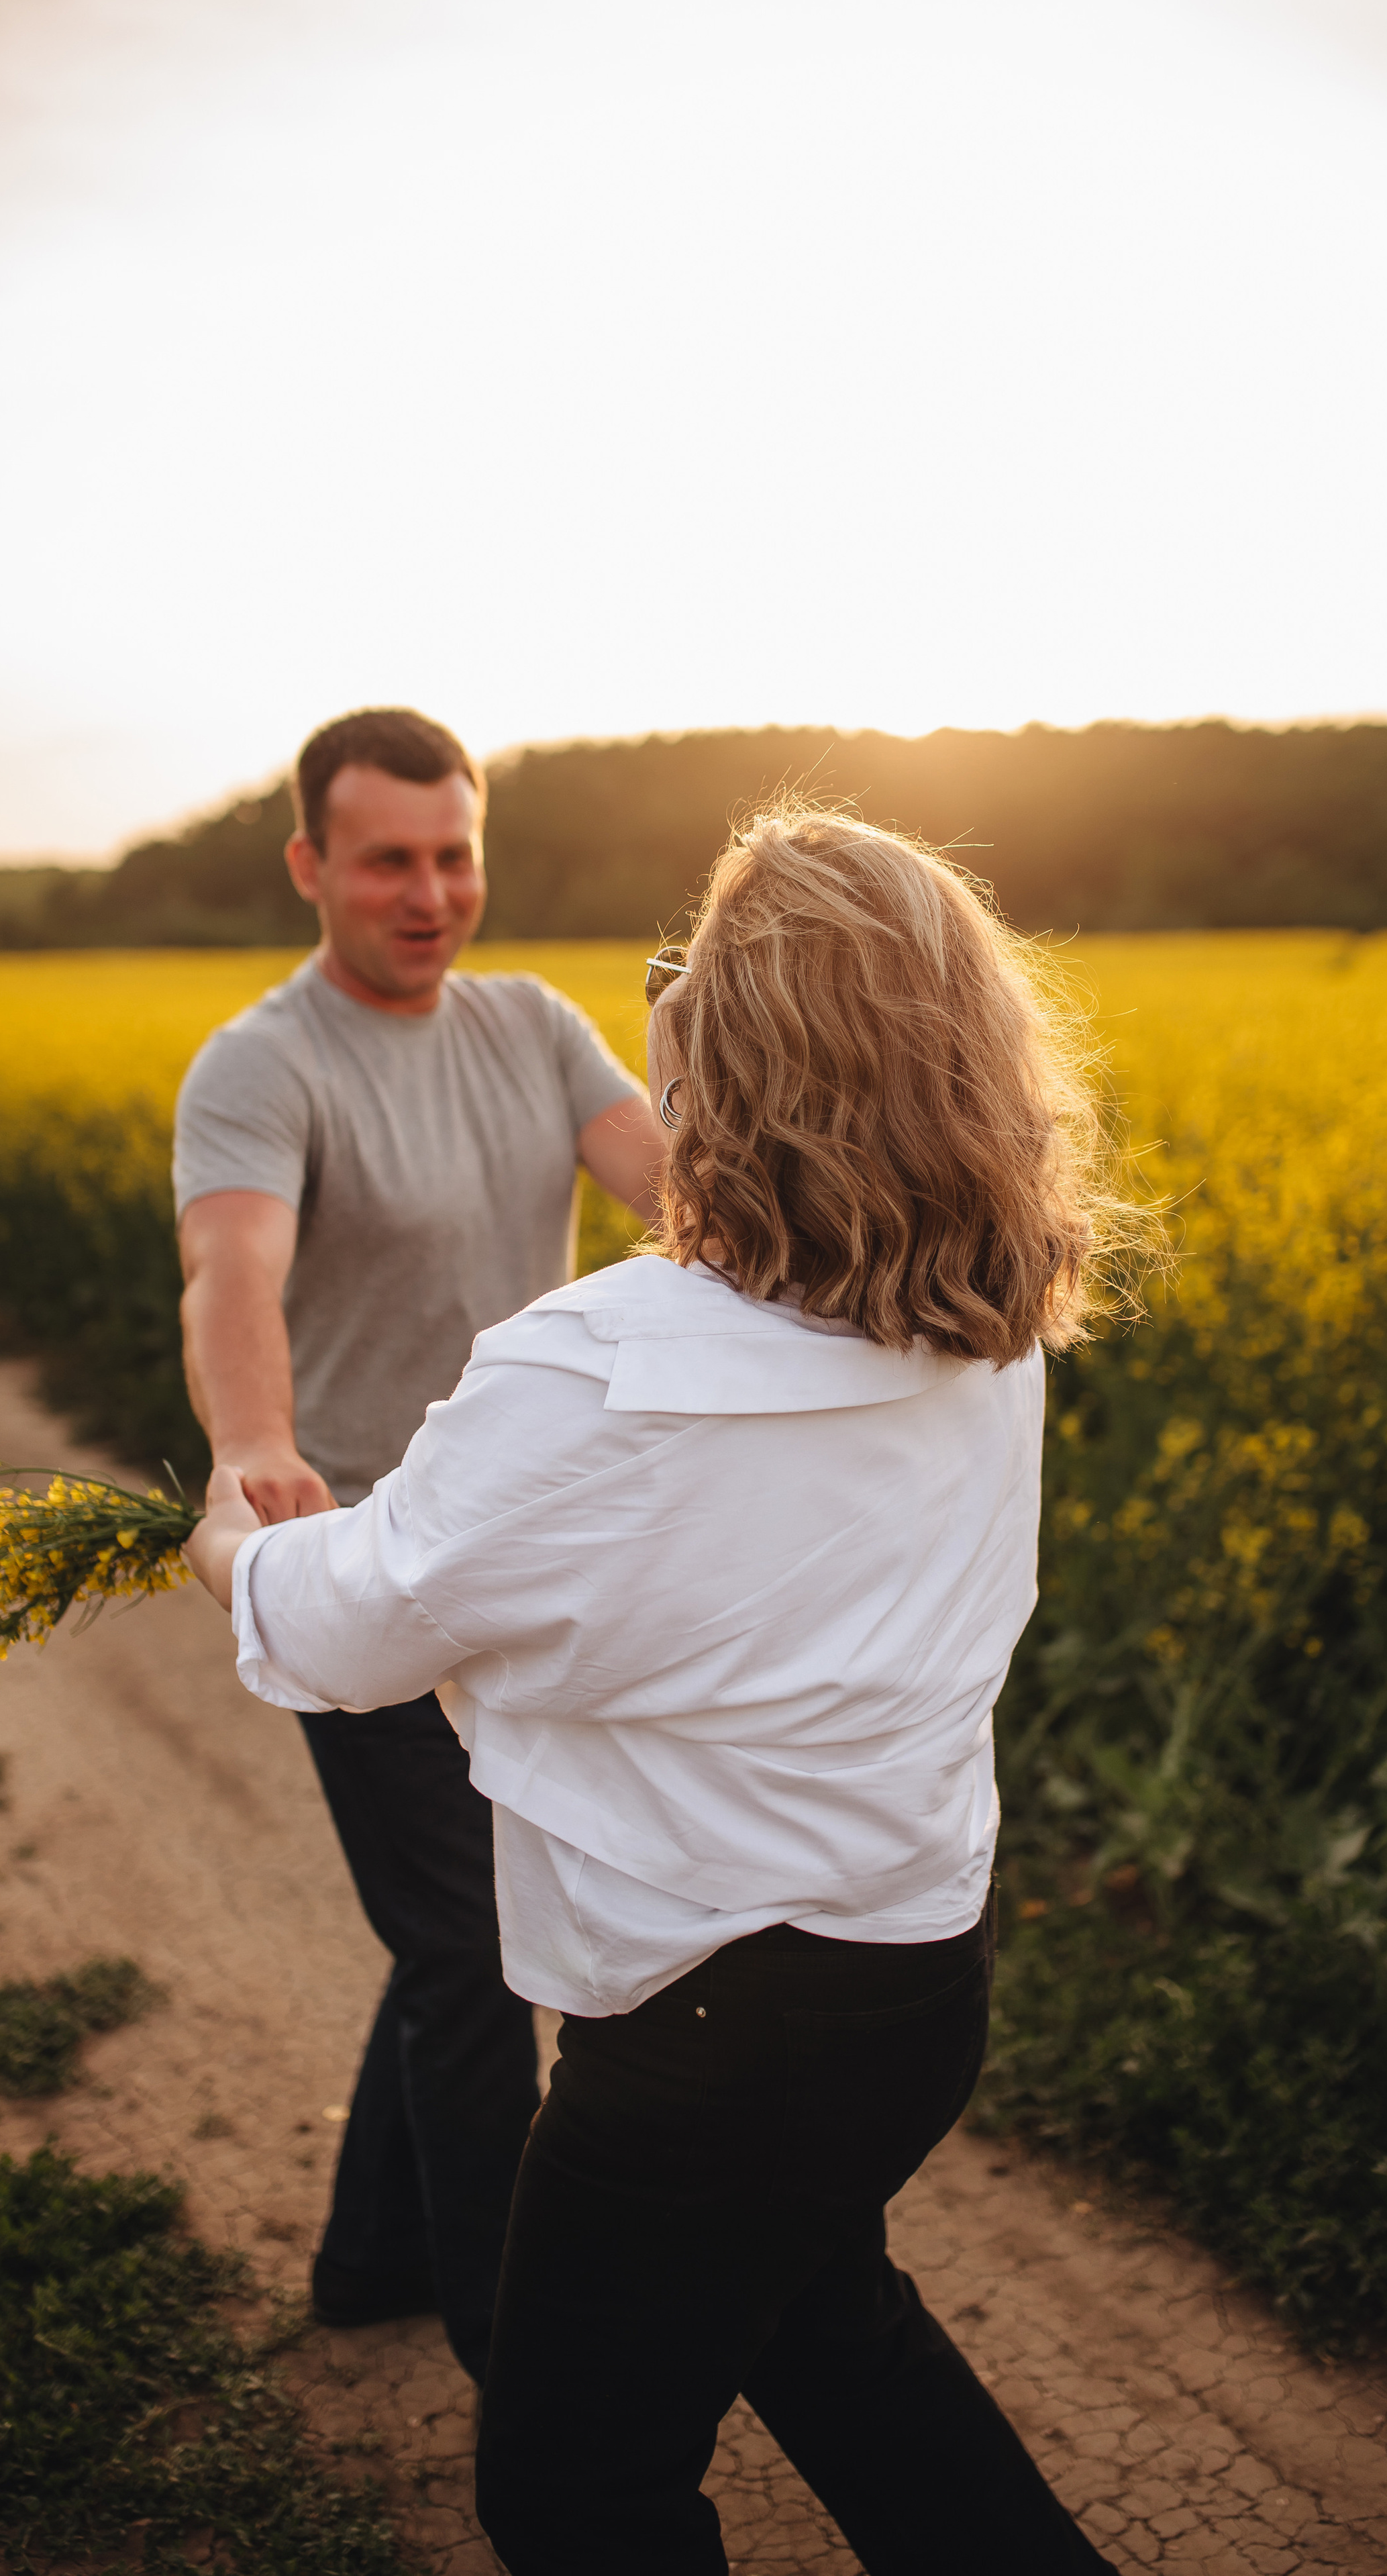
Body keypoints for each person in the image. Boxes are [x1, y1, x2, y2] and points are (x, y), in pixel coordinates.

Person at [189, 806, 1129, 2574]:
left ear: (727, 1048)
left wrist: (236, 1542)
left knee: (577, 2491)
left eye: (683, 978)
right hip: (914, 1977)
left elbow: (353, 1632)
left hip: (708, 2033)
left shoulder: (599, 1373)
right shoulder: (984, 1319)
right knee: (829, 2339)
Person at [172, 706, 666, 2380]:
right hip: (365, 1564)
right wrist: (253, 1451)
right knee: (469, 1944)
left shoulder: (534, 1028)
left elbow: (677, 1195)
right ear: (311, 864)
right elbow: (231, 1270)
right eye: (387, 859)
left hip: (525, 1557)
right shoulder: (264, 1062)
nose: (428, 891)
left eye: (453, 854)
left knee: (449, 1928)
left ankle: (369, 2258)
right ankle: (510, 2348)